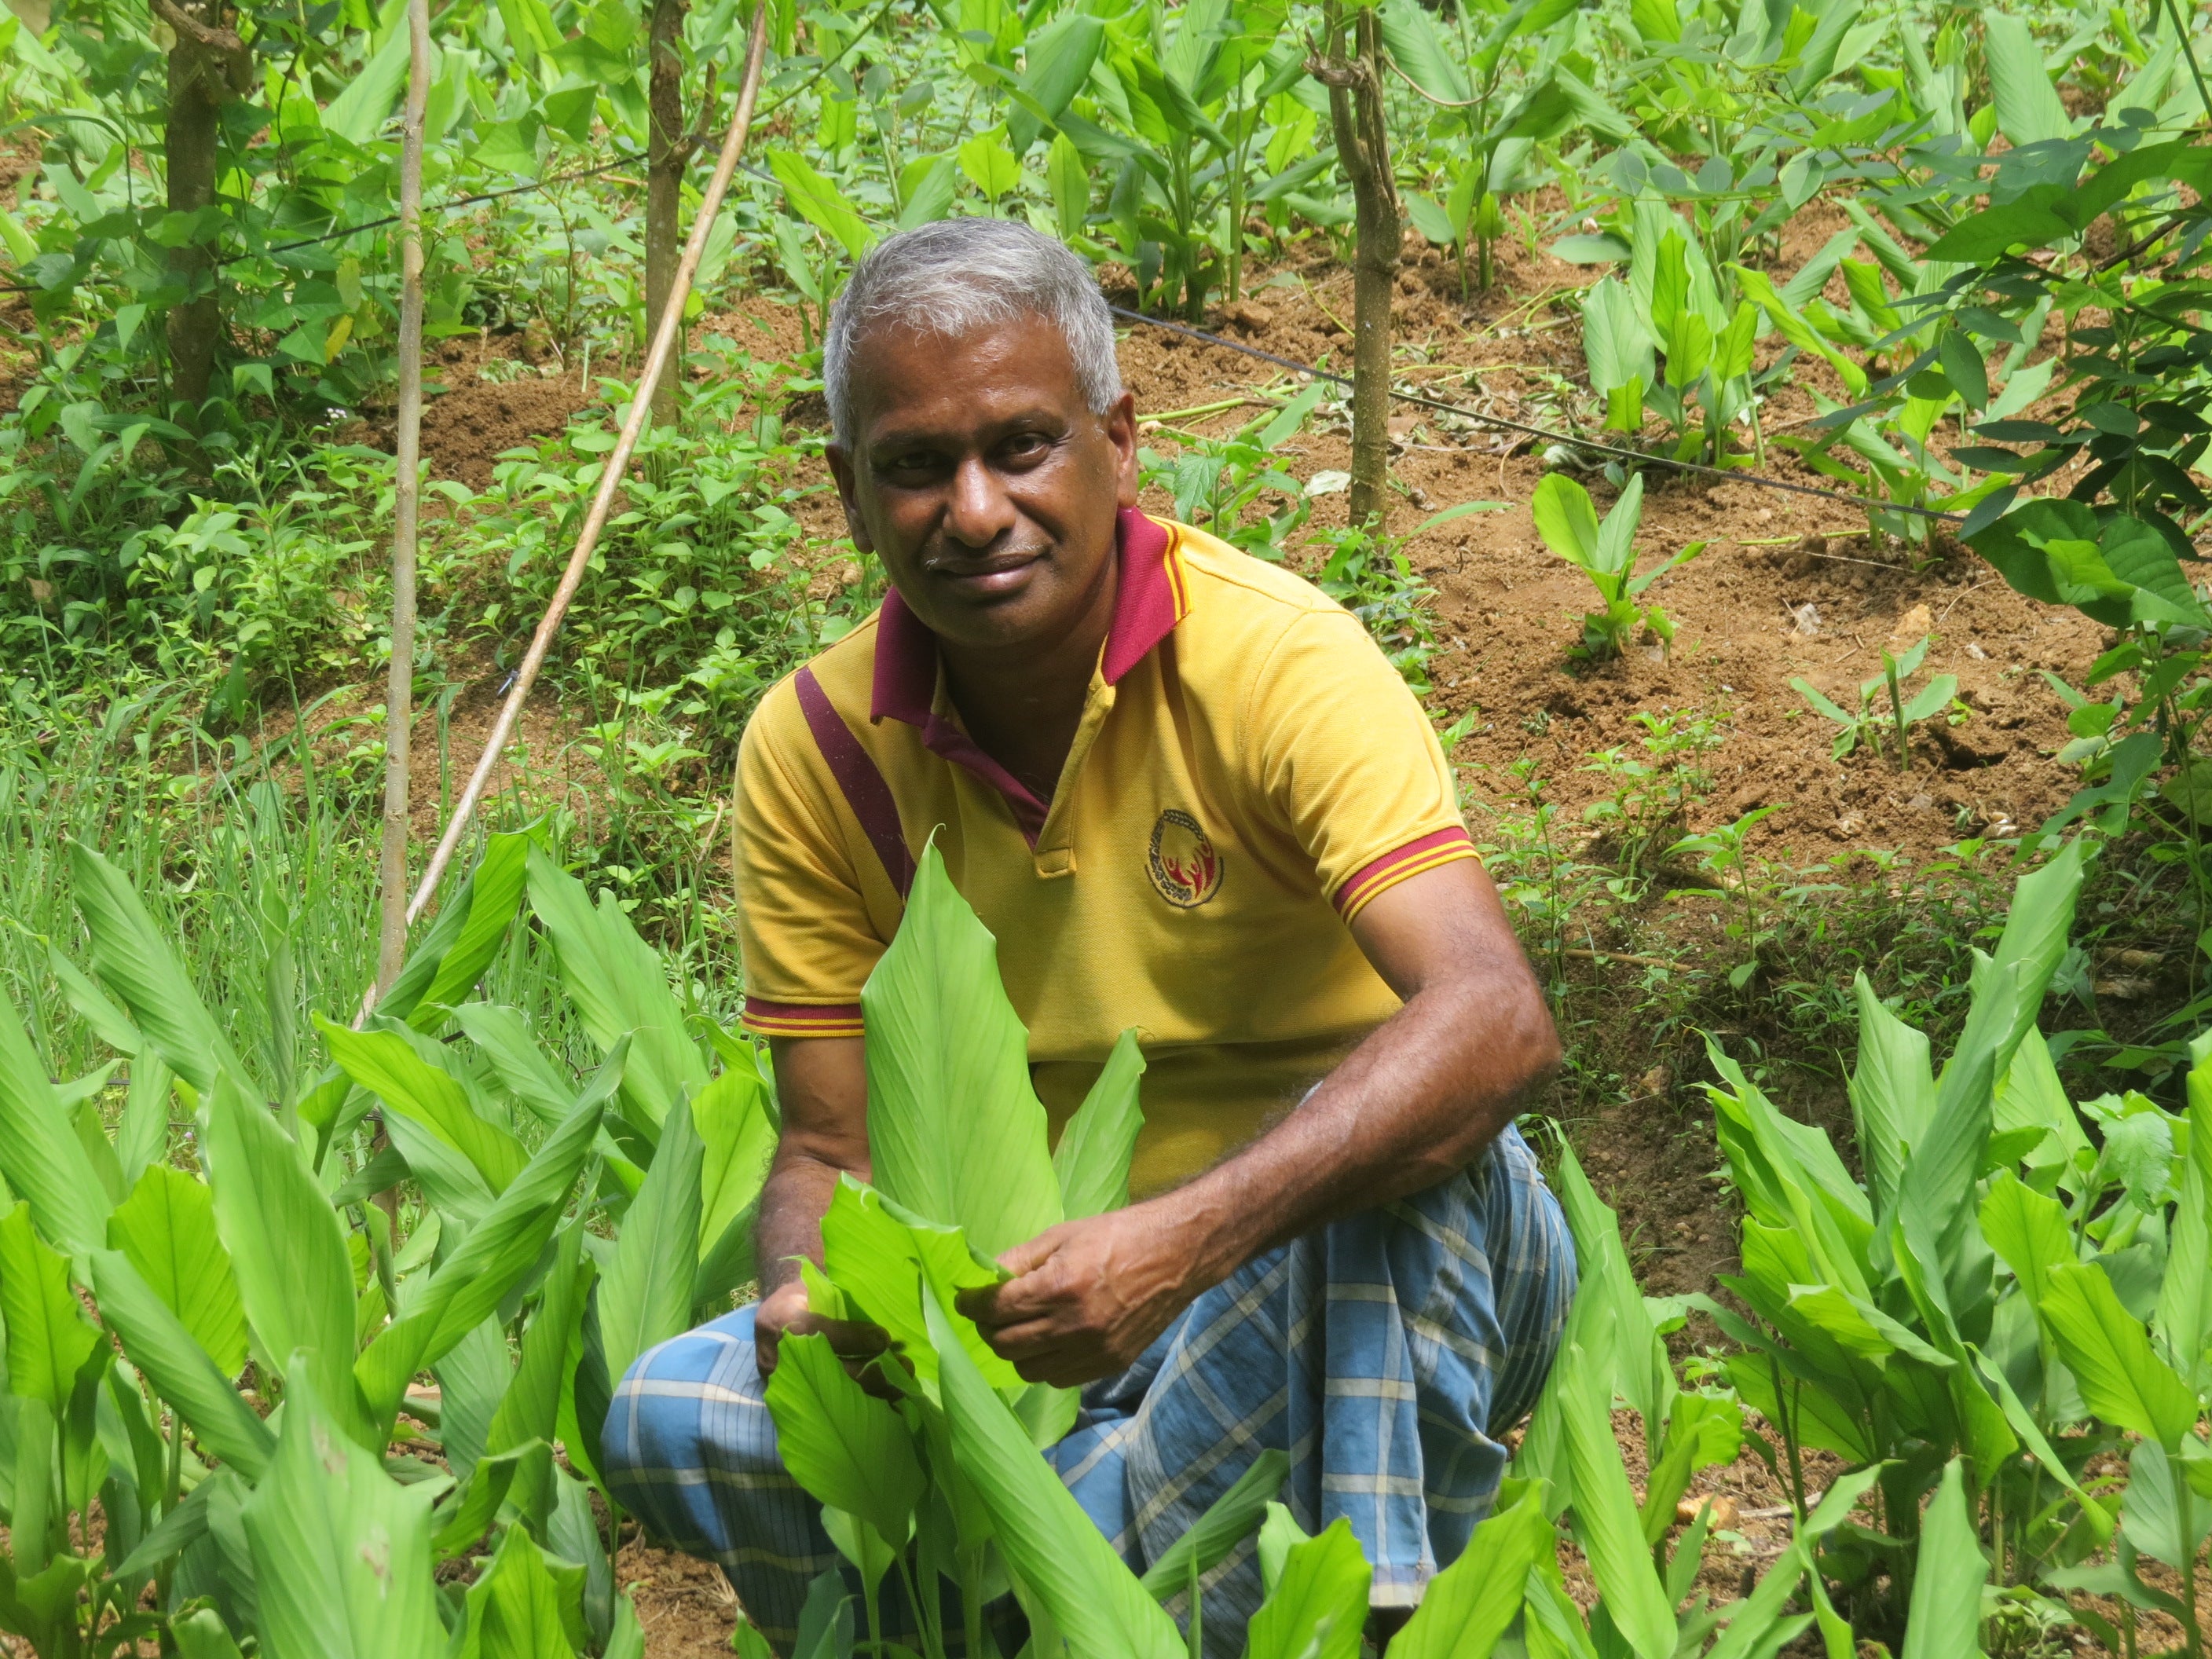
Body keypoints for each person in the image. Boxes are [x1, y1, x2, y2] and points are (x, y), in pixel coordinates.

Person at [602, 218, 1574, 1654]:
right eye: (916, 467)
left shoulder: (1273, 663)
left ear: (1121, 442)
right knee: (674, 1415)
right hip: (1037, 1326)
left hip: (1344, 1276)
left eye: (1024, 445)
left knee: (1397, 1151)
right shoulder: (817, 745)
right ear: (850, 495)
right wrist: (811, 1307)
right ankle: (1058, 1577)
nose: (976, 509)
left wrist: (1172, 1248)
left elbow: (1496, 1019)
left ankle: (1364, 1622)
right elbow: (824, 1151)